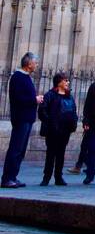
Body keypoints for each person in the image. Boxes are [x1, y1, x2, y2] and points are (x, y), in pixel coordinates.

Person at [1, 52, 42, 188]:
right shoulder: (18, 77)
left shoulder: (25, 77)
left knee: (21, 149)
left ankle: (13, 176)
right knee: (16, 148)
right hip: (21, 118)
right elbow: (18, 99)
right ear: (29, 63)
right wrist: (34, 99)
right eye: (35, 63)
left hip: (27, 118)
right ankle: (7, 178)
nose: (36, 65)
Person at [38, 71, 77, 186]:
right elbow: (42, 110)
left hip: (65, 130)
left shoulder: (69, 96)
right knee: (51, 154)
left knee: (61, 154)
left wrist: (73, 123)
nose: (67, 82)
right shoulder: (50, 95)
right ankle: (47, 177)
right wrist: (50, 122)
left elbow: (73, 110)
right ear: (59, 82)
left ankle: (58, 177)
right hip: (53, 130)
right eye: (65, 80)